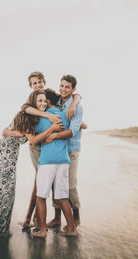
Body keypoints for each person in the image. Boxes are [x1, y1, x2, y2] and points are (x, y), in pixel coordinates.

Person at [0, 90, 63, 237]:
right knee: (4, 191)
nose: (43, 103)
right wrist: (52, 129)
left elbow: (22, 134)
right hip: (3, 154)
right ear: (33, 103)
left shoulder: (34, 118)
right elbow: (32, 140)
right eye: (39, 101)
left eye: (44, 101)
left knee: (7, 191)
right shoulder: (26, 116)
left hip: (11, 155)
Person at [14, 71, 83, 229]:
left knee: (49, 183)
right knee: (42, 182)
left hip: (52, 144)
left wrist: (74, 103)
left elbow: (76, 96)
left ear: (44, 82)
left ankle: (40, 219)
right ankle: (31, 218)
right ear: (30, 86)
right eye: (34, 83)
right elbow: (24, 109)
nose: (37, 85)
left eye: (39, 82)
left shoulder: (50, 97)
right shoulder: (31, 101)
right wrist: (47, 117)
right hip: (39, 145)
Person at [32, 88, 78, 238]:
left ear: (48, 101)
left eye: (44, 101)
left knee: (41, 195)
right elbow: (77, 127)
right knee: (61, 196)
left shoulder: (40, 119)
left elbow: (32, 137)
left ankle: (43, 230)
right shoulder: (65, 115)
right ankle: (72, 228)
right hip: (64, 160)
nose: (43, 103)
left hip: (48, 161)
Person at [45, 75, 83, 229]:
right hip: (57, 148)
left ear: (73, 89)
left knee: (70, 183)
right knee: (56, 183)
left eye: (67, 87)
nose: (63, 89)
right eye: (61, 85)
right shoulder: (57, 102)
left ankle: (76, 216)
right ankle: (57, 218)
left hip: (71, 148)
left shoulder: (77, 107)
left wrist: (54, 135)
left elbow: (73, 130)